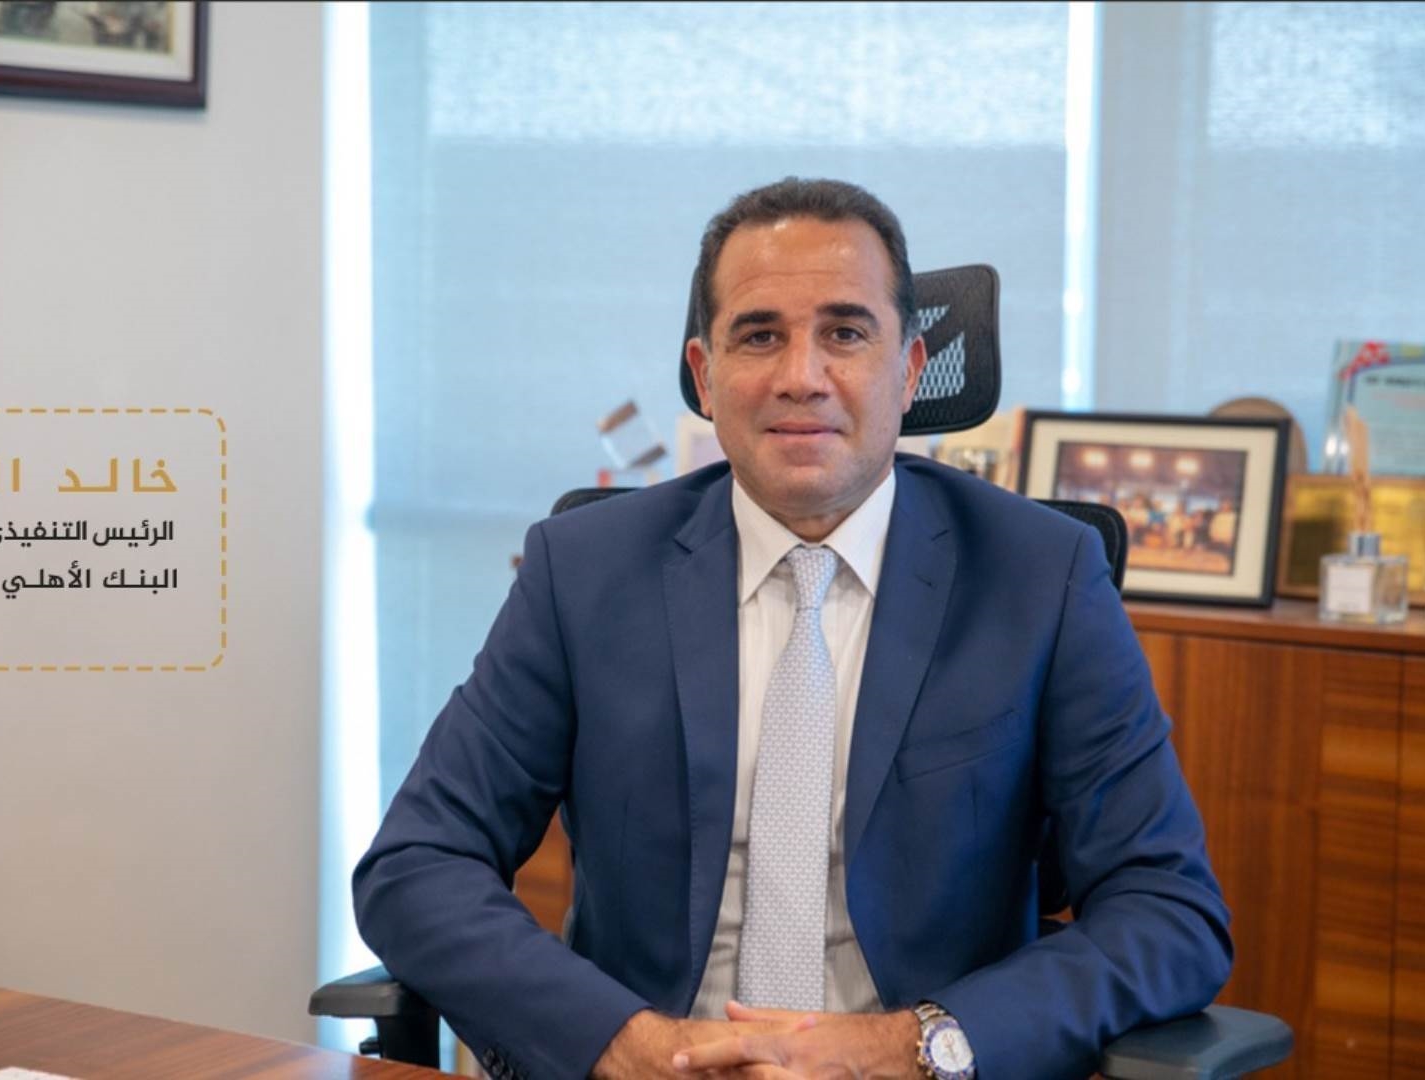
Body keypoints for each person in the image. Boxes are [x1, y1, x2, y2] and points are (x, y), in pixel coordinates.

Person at [354, 178, 1230, 1080]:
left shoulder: (1041, 577)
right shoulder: (584, 571)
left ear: (910, 369)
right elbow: (415, 864)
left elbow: (1170, 912)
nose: (801, 377)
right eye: (759, 335)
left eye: (845, 333)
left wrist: (908, 1047)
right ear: (705, 375)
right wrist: (624, 1044)